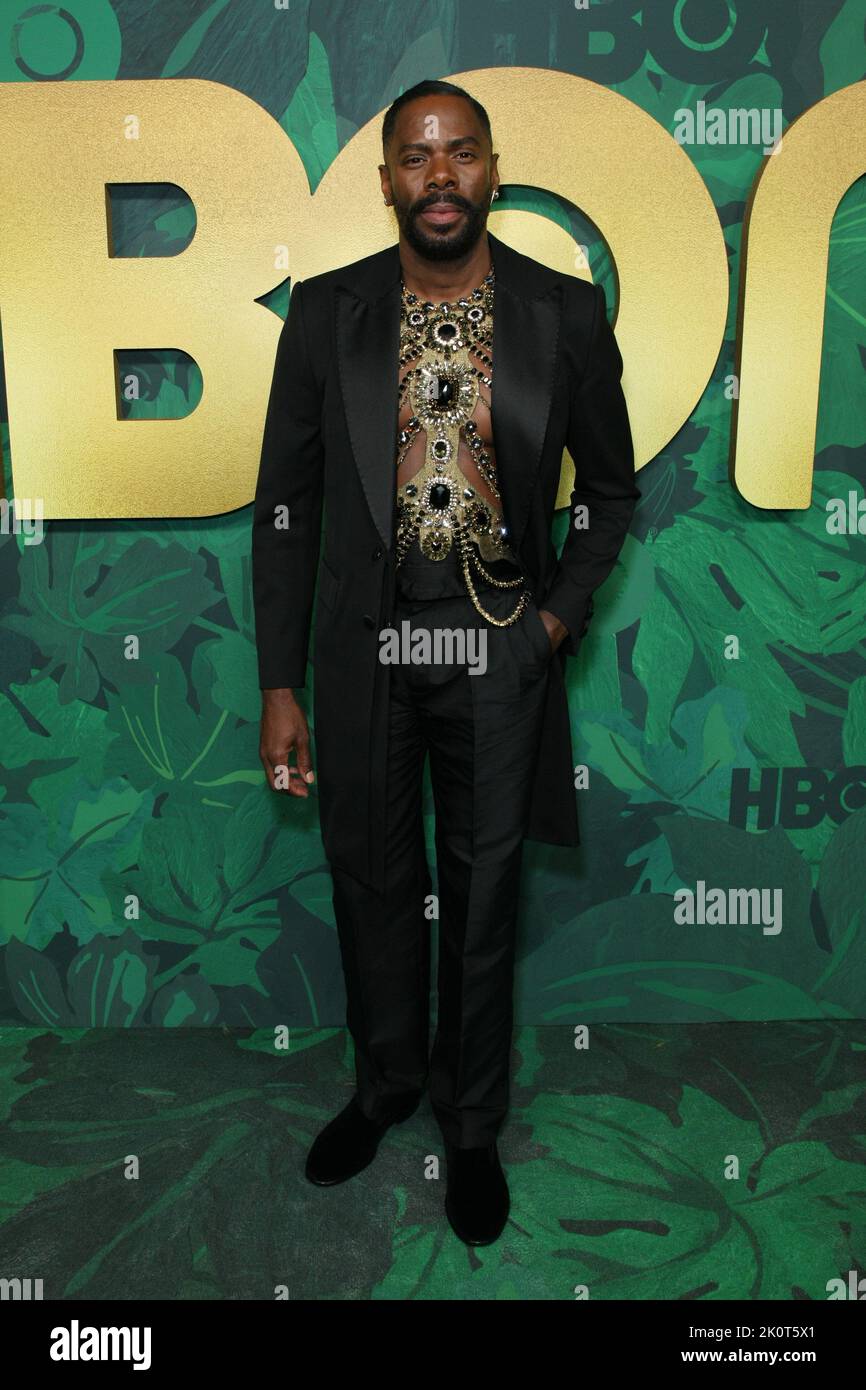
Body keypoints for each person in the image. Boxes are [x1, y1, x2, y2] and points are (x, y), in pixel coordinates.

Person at [251, 78, 640, 1247]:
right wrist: (281, 684)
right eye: (414, 158)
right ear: (384, 183)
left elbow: (610, 493)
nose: (438, 176)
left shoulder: (561, 315)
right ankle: (383, 1089)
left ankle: (470, 1127)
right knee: (370, 875)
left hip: (495, 644)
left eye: (458, 153)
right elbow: (287, 503)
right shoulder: (324, 316)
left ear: (491, 170)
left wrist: (550, 626)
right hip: (364, 643)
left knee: (480, 893)